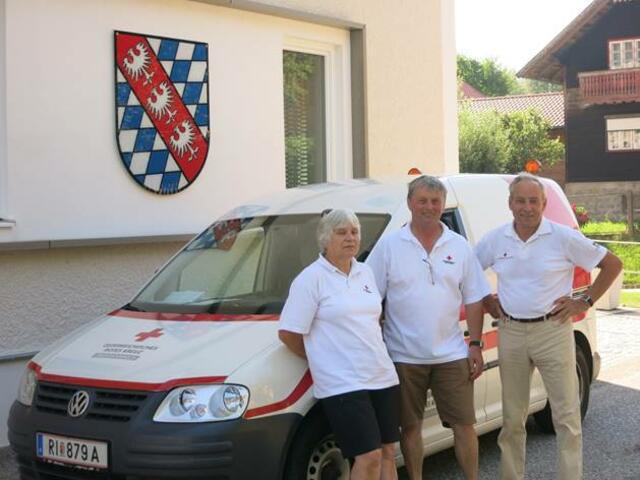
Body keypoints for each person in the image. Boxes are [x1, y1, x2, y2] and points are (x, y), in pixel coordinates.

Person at [474, 173, 623, 480]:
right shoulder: (495, 238)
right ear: (510, 203)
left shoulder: (562, 236)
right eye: (520, 201)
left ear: (543, 203)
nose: (527, 207)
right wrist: (487, 298)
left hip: (552, 331)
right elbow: (468, 272)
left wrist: (585, 300)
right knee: (513, 418)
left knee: (566, 417)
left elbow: (613, 264)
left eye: (533, 201)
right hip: (511, 331)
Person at [368, 175, 490, 480]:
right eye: (422, 200)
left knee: (464, 425)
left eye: (435, 201)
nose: (429, 207)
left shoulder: (459, 245)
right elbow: (370, 298)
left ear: (442, 205)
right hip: (403, 356)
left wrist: (474, 344)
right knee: (410, 427)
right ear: (410, 203)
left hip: (451, 353)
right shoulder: (390, 246)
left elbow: (475, 298)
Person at [278, 209, 401, 480]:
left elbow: (373, 319)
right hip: (343, 383)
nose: (350, 238)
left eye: (354, 232)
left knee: (387, 452)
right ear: (325, 238)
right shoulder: (310, 279)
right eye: (341, 232)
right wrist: (320, 360)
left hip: (381, 376)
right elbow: (288, 333)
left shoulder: (365, 272)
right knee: (368, 456)